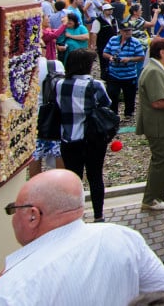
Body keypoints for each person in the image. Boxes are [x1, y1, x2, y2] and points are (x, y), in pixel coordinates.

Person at [0, 169, 164, 305]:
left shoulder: (10, 292)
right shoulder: (122, 236)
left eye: (14, 209)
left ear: (33, 216)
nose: (12, 217)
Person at [54, 48, 111, 222]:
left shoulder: (59, 84)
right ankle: (98, 215)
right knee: (95, 176)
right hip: (92, 138)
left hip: (68, 137)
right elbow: (106, 103)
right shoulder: (95, 85)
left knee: (73, 177)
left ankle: (75, 215)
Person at [136, 37, 164, 211]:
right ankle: (150, 198)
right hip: (158, 125)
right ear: (162, 52)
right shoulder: (154, 71)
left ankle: (160, 192)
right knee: (160, 160)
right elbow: (158, 102)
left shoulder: (161, 69)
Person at [102, 22, 147, 119]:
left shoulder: (135, 42)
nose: (128, 33)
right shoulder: (113, 40)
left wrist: (129, 59)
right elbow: (105, 53)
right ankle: (113, 114)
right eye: (126, 31)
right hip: (114, 73)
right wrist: (110, 57)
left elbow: (141, 57)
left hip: (129, 74)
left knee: (129, 96)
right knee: (112, 94)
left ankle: (128, 114)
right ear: (121, 32)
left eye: (130, 30)